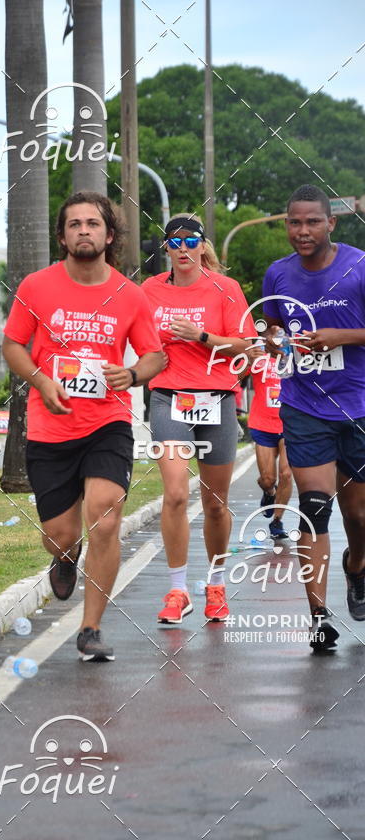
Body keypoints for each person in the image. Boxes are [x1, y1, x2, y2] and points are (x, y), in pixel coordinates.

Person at [2, 191, 163, 661]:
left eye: (93, 223)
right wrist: (41, 381)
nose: (84, 231)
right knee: (60, 534)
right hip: (51, 426)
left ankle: (90, 628)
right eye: (74, 225)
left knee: (106, 516)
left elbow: (155, 354)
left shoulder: (129, 295)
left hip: (107, 422)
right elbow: (13, 345)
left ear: (108, 235)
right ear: (62, 236)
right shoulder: (37, 286)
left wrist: (131, 374)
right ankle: (65, 556)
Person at [262, 184, 365, 652]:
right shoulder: (277, 275)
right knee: (315, 508)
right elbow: (274, 332)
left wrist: (338, 336)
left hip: (359, 406)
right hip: (304, 404)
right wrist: (276, 343)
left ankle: (357, 565)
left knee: (359, 516)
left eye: (312, 222)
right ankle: (318, 617)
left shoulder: (358, 266)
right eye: (294, 222)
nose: (302, 231)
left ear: (331, 224)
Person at [141, 214, 256, 625]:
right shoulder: (149, 290)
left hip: (217, 399)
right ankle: (177, 590)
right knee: (174, 493)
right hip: (168, 396)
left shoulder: (225, 290)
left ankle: (216, 584)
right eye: (175, 242)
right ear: (167, 249)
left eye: (191, 240)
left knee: (214, 503)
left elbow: (249, 347)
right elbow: (136, 338)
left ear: (203, 246)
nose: (184, 248)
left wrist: (202, 337)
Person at [246, 356, 292, 539]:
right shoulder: (257, 355)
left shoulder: (296, 356)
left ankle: (277, 521)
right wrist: (248, 358)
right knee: (267, 479)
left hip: (290, 423)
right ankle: (269, 493)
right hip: (262, 424)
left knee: (286, 474)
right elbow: (235, 377)